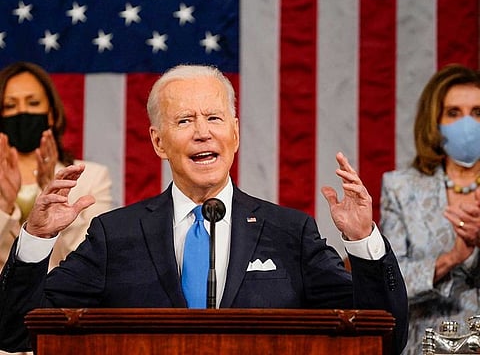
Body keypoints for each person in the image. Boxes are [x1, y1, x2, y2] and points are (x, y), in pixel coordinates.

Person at [0, 64, 408, 354]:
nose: (201, 132)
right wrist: (36, 239)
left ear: (234, 133)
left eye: (214, 117)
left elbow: (383, 335)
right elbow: (15, 332)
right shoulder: (114, 236)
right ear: (159, 143)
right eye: (184, 121)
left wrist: (363, 241)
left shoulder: (290, 232)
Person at [380, 64, 480, 354]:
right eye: (453, 113)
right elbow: (390, 285)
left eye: (477, 113)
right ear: (434, 121)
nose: (467, 125)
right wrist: (451, 259)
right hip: (428, 344)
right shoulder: (401, 187)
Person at [0, 61, 113, 274]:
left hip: (60, 302)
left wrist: (57, 197)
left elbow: (95, 257)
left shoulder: (92, 177)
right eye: (10, 106)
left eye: (33, 103)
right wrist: (4, 206)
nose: (22, 112)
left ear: (50, 114)